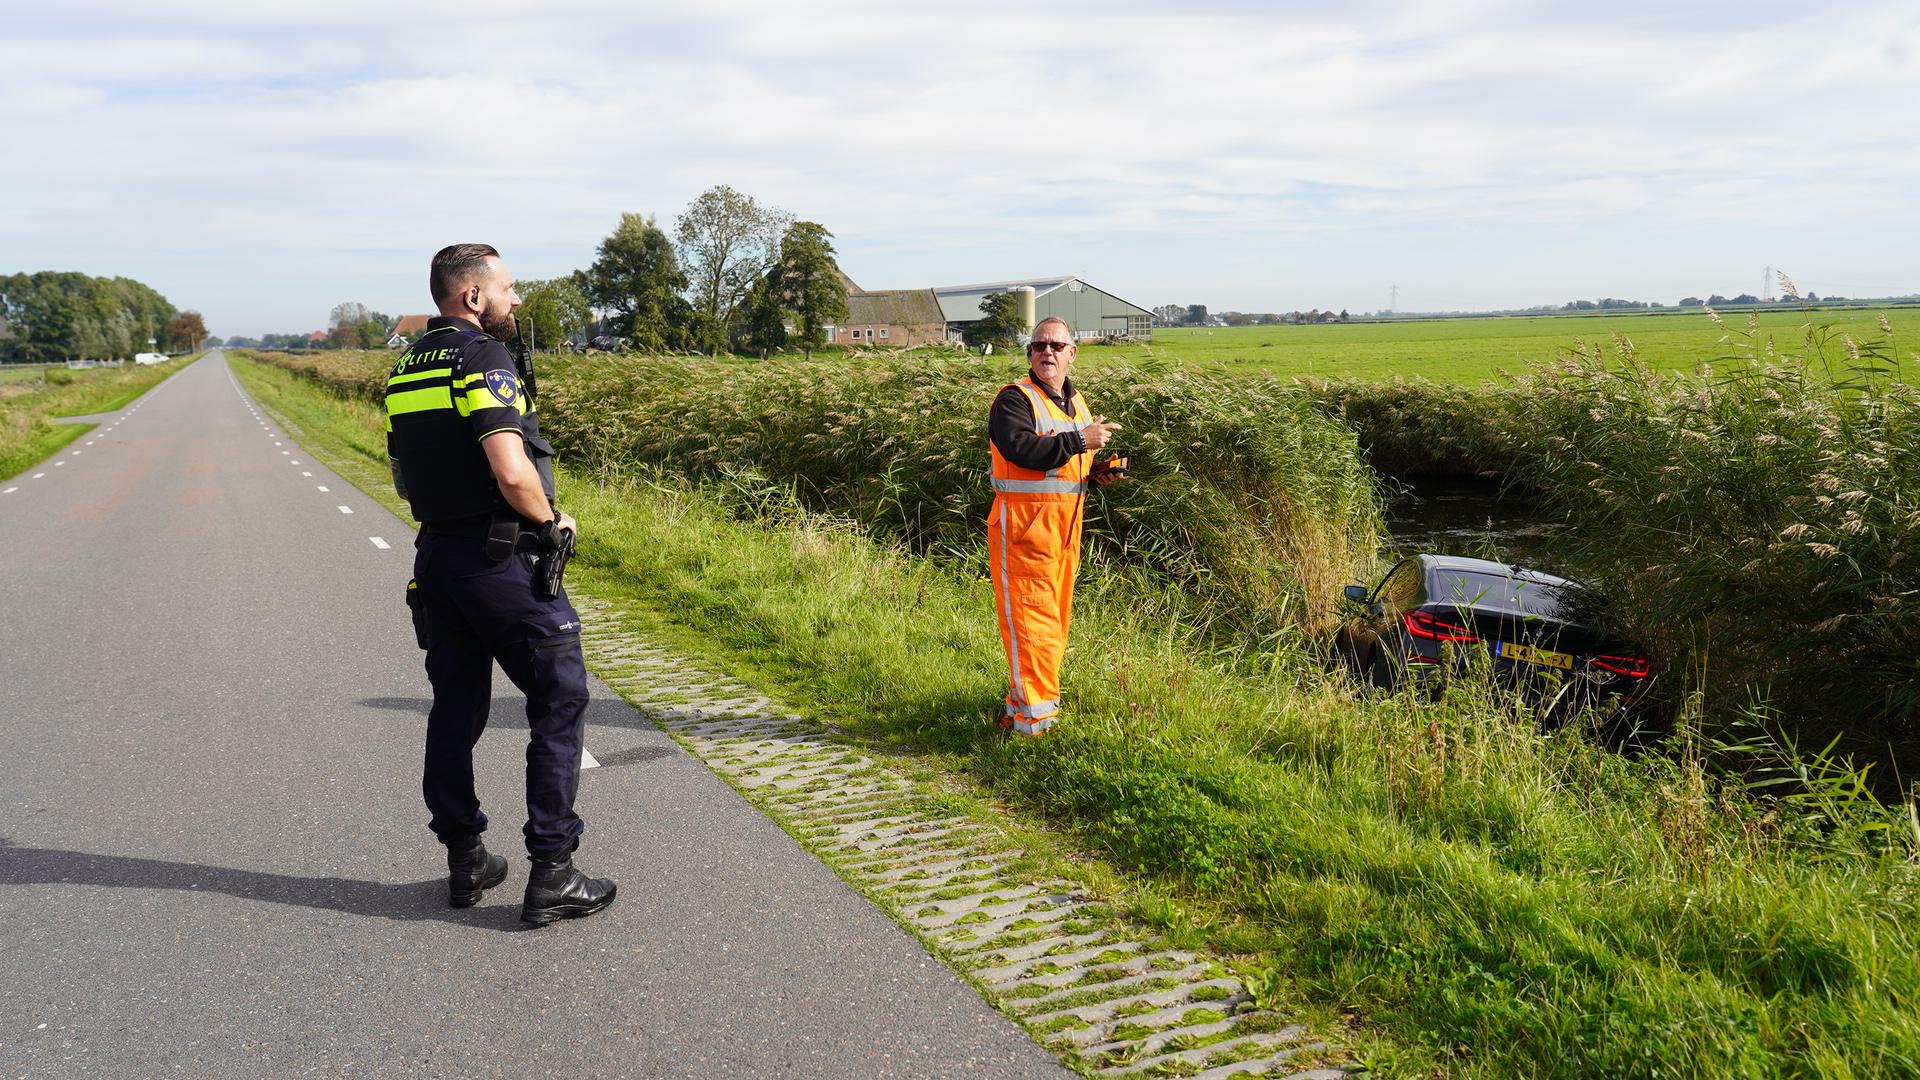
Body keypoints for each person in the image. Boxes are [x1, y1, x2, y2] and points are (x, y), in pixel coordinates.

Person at [384, 243, 616, 925]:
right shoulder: (482, 358)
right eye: (509, 289)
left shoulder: (404, 368)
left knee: (456, 709)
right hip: (501, 563)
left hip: (438, 562)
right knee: (560, 698)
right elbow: (511, 469)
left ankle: (466, 859)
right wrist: (552, 521)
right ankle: (553, 870)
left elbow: (406, 476)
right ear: (474, 297)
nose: (517, 300)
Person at [986, 317, 1129, 736]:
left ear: (1072, 353)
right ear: (1029, 354)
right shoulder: (1015, 400)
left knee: (1053, 632)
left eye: (1055, 345)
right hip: (1023, 535)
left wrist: (1096, 473)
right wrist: (1081, 441)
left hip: (1064, 538)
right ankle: (1037, 730)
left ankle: (1018, 713)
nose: (1046, 352)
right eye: (1039, 345)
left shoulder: (1076, 403)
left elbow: (1061, 472)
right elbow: (1023, 450)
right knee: (1034, 630)